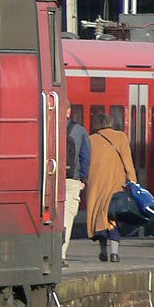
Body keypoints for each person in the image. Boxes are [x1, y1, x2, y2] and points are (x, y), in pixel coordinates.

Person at [86, 113, 137, 263]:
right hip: (116, 185)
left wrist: (86, 180)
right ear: (110, 123)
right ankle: (114, 253)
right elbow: (128, 162)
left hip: (96, 186)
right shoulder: (121, 137)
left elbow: (86, 164)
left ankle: (103, 251)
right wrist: (132, 181)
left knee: (99, 218)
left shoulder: (90, 140)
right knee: (113, 217)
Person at [62, 102, 91, 266]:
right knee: (66, 218)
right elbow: (85, 157)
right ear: (69, 111)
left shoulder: (46, 126)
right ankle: (61, 255)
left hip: (49, 180)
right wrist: (81, 178)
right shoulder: (79, 130)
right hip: (71, 180)